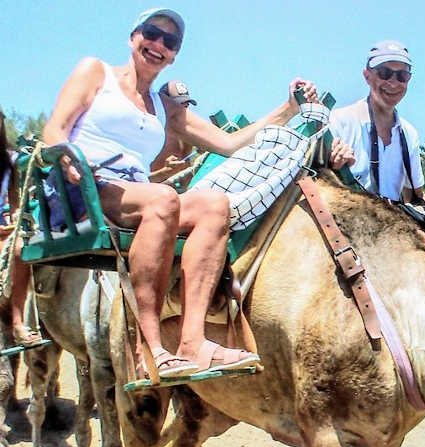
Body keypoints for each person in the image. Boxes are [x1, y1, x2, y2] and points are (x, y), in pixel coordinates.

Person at [36, 7, 318, 377]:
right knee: (163, 198)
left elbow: (229, 144)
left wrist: (289, 109)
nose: (159, 44)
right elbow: (54, 129)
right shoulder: (96, 72)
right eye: (152, 33)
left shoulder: (163, 107)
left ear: (173, 55)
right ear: (133, 37)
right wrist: (65, 157)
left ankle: (192, 343)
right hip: (82, 187)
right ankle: (150, 348)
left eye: (170, 41)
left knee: (215, 205)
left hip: (135, 196)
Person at [328, 40, 425, 279]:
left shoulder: (408, 134)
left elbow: (414, 197)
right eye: (384, 73)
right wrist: (334, 167)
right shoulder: (340, 121)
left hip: (394, 231)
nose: (393, 82)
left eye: (401, 75)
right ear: (367, 76)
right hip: (350, 231)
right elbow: (316, 185)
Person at [0, 109, 44, 346]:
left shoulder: (11, 161)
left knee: (22, 247)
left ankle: (21, 321)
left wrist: (15, 217)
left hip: (5, 229)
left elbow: (14, 201)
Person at [149, 79, 196, 185]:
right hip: (152, 191)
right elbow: (134, 181)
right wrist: (163, 173)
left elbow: (186, 176)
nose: (182, 111)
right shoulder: (149, 133)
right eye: (177, 105)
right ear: (162, 104)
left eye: (185, 106)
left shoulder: (186, 135)